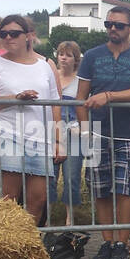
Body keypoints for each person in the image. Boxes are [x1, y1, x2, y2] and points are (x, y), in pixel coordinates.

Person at [76, 5, 130, 259]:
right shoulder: (92, 56)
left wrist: (107, 96)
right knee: (100, 190)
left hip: (126, 132)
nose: (112, 30)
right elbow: (79, 98)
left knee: (124, 190)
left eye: (118, 25)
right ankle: (107, 242)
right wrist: (85, 132)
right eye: (109, 25)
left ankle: (122, 242)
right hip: (97, 131)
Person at [0, 15, 61, 225]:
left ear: (28, 36)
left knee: (38, 199)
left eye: (14, 33)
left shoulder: (44, 66)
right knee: (7, 200)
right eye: (3, 33)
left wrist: (59, 140)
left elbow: (55, 103)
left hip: (41, 139)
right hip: (8, 135)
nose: (8, 37)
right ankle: (7, 248)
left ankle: (28, 249)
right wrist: (15, 98)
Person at [50, 41, 84, 224]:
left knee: (72, 176)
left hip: (74, 133)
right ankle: (46, 216)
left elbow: (85, 108)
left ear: (75, 59)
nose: (64, 57)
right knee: (50, 175)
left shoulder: (80, 81)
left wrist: (83, 128)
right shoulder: (50, 76)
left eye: (69, 55)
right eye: (61, 54)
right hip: (51, 131)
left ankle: (69, 218)